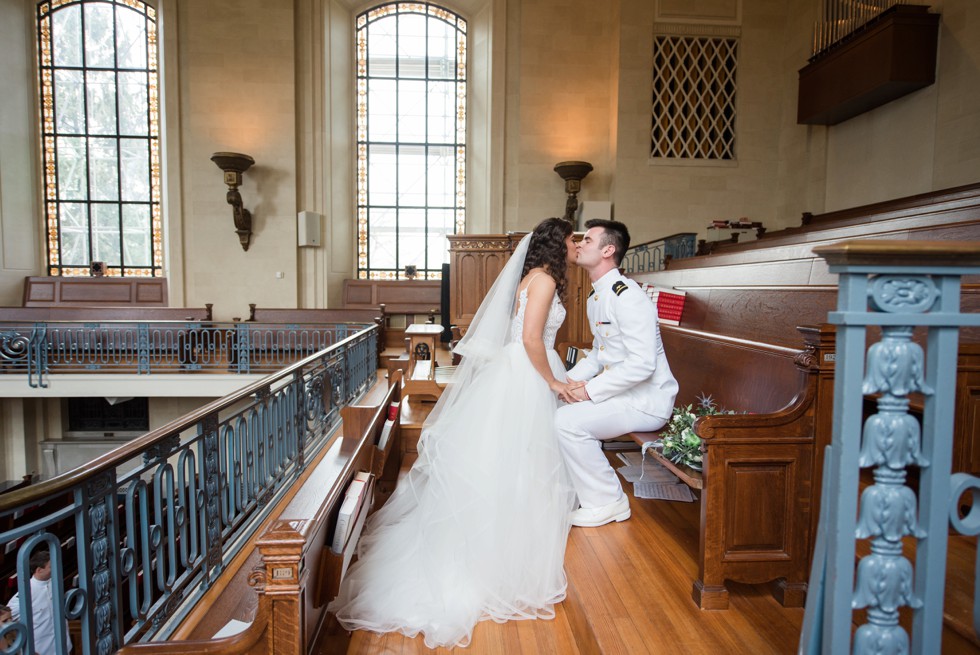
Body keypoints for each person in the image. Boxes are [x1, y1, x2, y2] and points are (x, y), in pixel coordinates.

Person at [328, 217, 579, 649]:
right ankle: (506, 542)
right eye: (575, 239)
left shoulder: (532, 277)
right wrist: (555, 382)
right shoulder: (544, 283)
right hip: (529, 373)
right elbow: (533, 339)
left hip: (517, 371)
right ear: (559, 244)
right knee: (521, 455)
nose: (579, 245)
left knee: (513, 456)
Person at [556, 219, 679, 528]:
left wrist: (587, 391)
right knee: (556, 405)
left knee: (567, 422)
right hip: (624, 394)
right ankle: (582, 489)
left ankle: (608, 501)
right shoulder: (597, 296)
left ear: (608, 250)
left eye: (589, 240)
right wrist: (566, 382)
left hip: (646, 401)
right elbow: (600, 353)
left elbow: (642, 364)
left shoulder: (628, 296)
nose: (580, 244)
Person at [7, 550, 72, 655]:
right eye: (51, 566)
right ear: (39, 570)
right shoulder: (25, 593)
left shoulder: (56, 581)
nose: (56, 568)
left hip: (63, 646)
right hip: (40, 650)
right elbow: (5, 622)